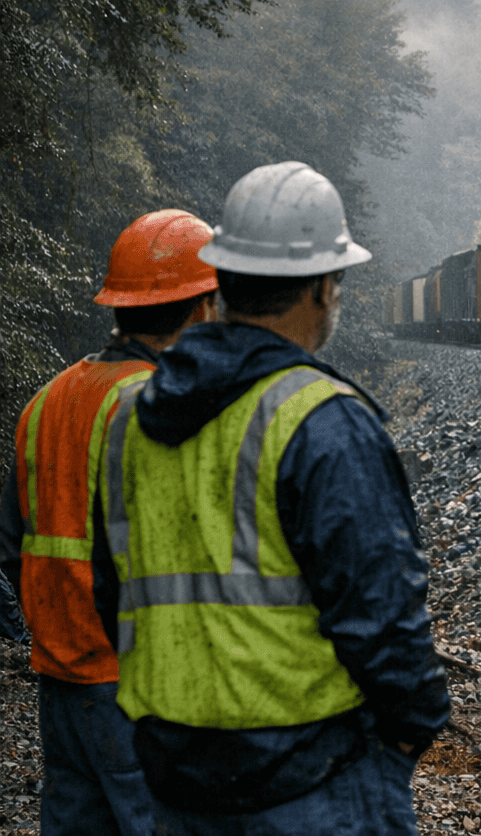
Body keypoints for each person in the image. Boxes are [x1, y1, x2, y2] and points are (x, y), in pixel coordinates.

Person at [96, 161, 448, 834]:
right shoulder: (323, 420)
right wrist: (413, 729)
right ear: (322, 286)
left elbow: (112, 592)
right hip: (312, 779)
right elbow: (383, 612)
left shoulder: (130, 417)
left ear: (223, 279)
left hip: (174, 774)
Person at [0, 209, 220, 835]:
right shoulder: (160, 406)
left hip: (61, 682)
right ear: (200, 309)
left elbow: (11, 546)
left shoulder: (45, 401)